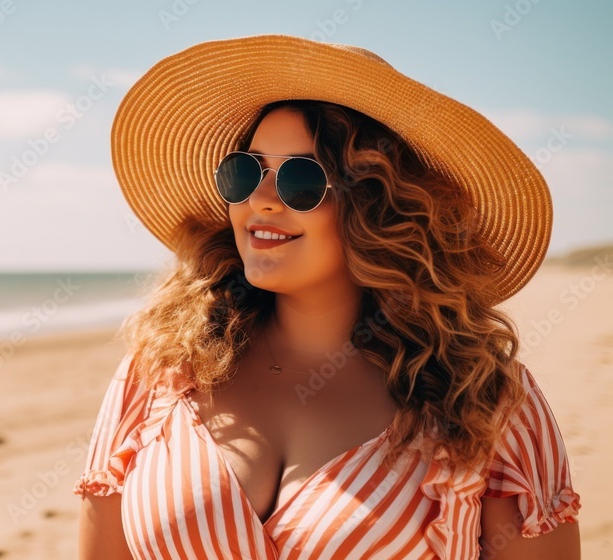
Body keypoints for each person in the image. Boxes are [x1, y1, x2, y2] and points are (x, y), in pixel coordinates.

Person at [74, 35, 581, 559]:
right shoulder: (160, 371)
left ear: (380, 205)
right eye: (246, 171)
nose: (262, 200)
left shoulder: (484, 399)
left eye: (301, 180)